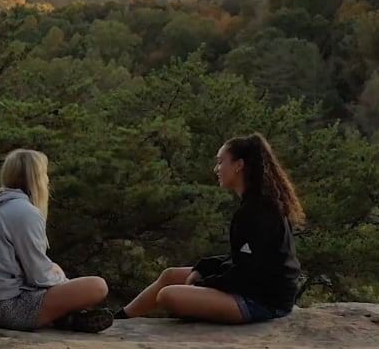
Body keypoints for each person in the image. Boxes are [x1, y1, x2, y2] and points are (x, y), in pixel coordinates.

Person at [116, 133, 304, 324]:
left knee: (168, 296)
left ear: (238, 165)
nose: (216, 169)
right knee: (170, 275)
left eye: (221, 162)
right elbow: (242, 259)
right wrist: (204, 267)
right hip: (256, 288)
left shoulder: (255, 212)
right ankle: (118, 319)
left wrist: (203, 283)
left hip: (263, 302)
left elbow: (247, 274)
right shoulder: (258, 204)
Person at [0, 149, 114, 332]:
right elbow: (38, 275)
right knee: (97, 287)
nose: (48, 180)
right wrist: (62, 279)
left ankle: (70, 319)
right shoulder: (25, 212)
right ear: (35, 178)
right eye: (45, 174)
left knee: (58, 276)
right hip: (5, 308)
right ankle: (70, 315)